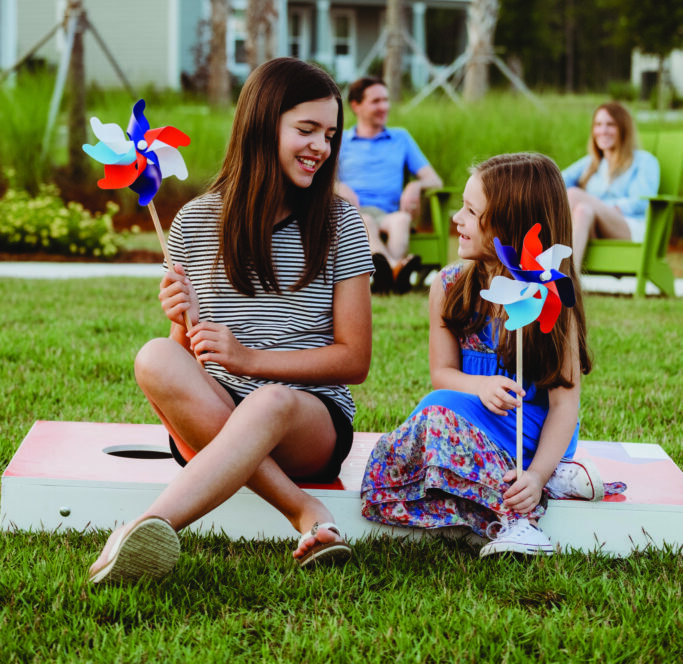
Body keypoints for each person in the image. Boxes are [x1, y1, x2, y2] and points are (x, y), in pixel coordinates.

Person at [89, 58, 373, 584]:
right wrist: (185, 318)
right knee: (155, 354)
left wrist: (251, 359)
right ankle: (304, 511)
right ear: (263, 125)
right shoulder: (194, 221)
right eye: (306, 130)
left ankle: (149, 526)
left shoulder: (340, 222)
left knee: (271, 399)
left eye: (330, 134)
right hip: (215, 415)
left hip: (306, 422)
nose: (321, 147)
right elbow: (186, 356)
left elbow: (354, 360)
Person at [361, 153, 605, 557]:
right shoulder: (449, 285)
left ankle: (522, 515)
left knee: (436, 411)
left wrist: (538, 473)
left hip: (535, 431)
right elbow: (443, 373)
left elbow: (565, 404)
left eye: (472, 212)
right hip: (473, 423)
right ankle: (546, 481)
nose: (457, 218)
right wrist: (482, 385)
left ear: (511, 226)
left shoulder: (550, 297)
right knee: (435, 407)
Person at [336, 76, 442, 294]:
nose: (384, 106)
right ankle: (396, 269)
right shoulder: (341, 141)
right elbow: (321, 180)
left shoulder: (401, 138)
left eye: (386, 100)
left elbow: (434, 180)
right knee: (364, 221)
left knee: (402, 220)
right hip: (355, 212)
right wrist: (338, 187)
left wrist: (415, 186)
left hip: (389, 212)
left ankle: (388, 276)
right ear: (356, 105)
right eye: (376, 101)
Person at [562, 102, 660, 268]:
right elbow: (558, 180)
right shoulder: (591, 163)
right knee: (583, 210)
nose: (603, 131)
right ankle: (570, 279)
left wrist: (603, 208)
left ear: (623, 129)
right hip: (595, 227)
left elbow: (641, 202)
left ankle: (552, 269)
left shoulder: (643, 161)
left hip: (629, 227)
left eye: (610, 124)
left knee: (573, 195)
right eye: (598, 125)